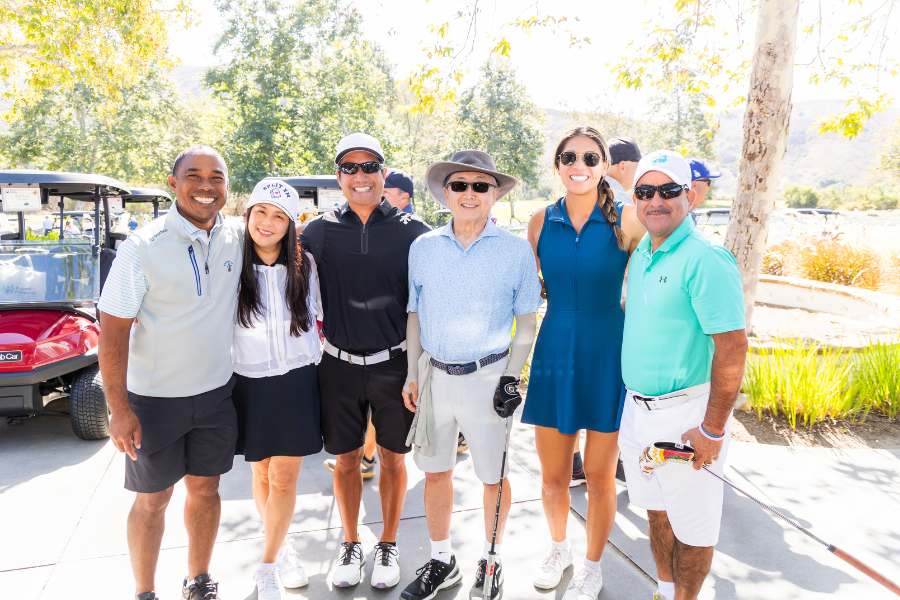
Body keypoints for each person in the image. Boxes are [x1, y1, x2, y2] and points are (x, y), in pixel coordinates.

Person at [97, 144, 243, 600]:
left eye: (216, 177)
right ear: (173, 183)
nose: (205, 186)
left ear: (225, 185)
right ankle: (145, 591)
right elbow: (113, 332)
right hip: (153, 402)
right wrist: (118, 410)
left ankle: (198, 579)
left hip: (217, 395)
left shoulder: (237, 237)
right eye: (194, 175)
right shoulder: (143, 247)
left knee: (206, 490)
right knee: (153, 500)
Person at [400, 150, 541, 600]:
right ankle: (442, 561)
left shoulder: (516, 251)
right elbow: (414, 315)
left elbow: (527, 321)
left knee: (492, 477)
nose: (469, 194)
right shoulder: (422, 247)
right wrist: (411, 374)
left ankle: (491, 560)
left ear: (494, 194)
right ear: (446, 192)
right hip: (435, 377)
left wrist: (512, 378)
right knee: (436, 472)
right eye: (460, 185)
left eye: (481, 186)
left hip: (489, 375)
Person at [299, 132, 431, 589]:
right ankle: (351, 544)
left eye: (369, 166)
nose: (360, 176)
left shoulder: (413, 232)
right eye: (349, 167)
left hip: (395, 366)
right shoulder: (316, 231)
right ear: (338, 176)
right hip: (336, 366)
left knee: (394, 461)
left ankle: (388, 545)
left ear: (383, 173)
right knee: (347, 460)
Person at [522, 126, 646, 600]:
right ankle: (559, 550)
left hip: (606, 354)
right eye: (569, 157)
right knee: (554, 476)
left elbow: (655, 284)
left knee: (598, 475)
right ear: (557, 166)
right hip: (554, 351)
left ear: (604, 167)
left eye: (590, 158)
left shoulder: (629, 221)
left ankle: (593, 566)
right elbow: (526, 292)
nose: (579, 165)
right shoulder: (538, 221)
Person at [618, 150, 748, 600]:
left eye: (668, 190)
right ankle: (664, 590)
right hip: (636, 412)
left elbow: (732, 347)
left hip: (685, 417)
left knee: (693, 526)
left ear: (689, 196)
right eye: (645, 191)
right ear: (635, 199)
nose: (656, 200)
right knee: (656, 511)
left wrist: (712, 428)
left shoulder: (707, 258)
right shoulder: (643, 255)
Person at [231, 179, 324, 600]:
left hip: (296, 381)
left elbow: (316, 321)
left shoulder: (305, 266)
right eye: (261, 212)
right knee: (261, 471)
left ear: (291, 224)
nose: (267, 223)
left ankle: (267, 565)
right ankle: (281, 545)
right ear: (248, 215)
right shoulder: (230, 265)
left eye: (279, 216)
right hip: (248, 381)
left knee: (284, 478)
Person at [604, 136, 643, 205]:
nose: (639, 172)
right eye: (637, 166)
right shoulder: (622, 202)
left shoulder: (589, 190)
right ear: (622, 167)